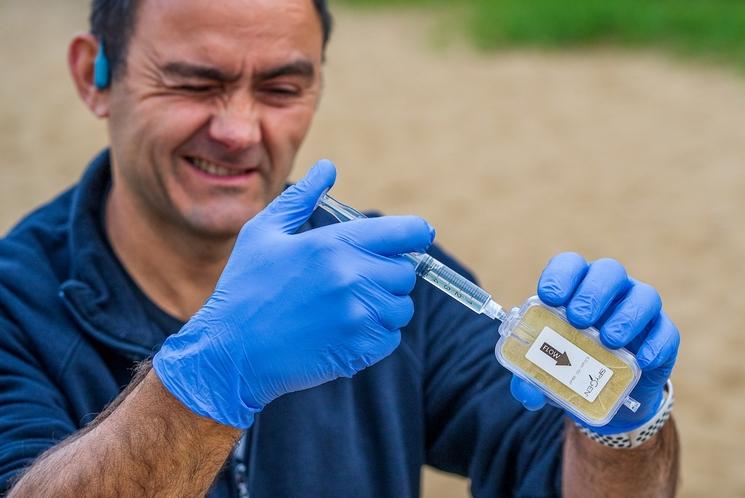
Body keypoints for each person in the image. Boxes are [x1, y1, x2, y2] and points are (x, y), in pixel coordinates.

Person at [0, 0, 679, 496]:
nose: (238, 129)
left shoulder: (389, 284)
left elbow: (563, 475)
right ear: (95, 76)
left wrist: (621, 425)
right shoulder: (14, 307)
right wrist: (208, 379)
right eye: (194, 82)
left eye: (281, 89)